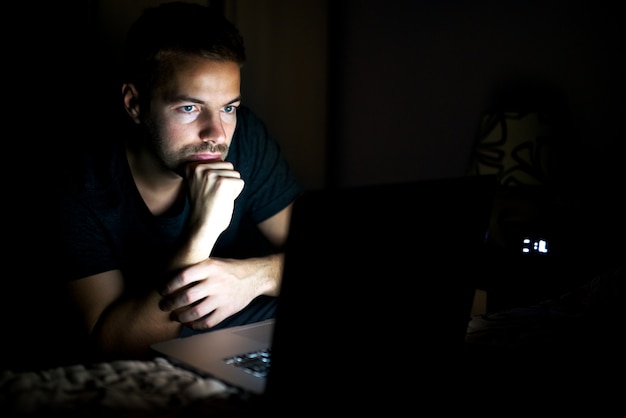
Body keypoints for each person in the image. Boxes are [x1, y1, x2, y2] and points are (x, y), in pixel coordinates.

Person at [50, 1, 303, 362]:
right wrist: (202, 232)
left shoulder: (245, 137)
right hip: (141, 341)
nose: (216, 134)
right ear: (135, 104)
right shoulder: (80, 180)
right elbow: (112, 348)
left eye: (228, 107)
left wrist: (255, 277)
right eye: (189, 108)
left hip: (229, 331)